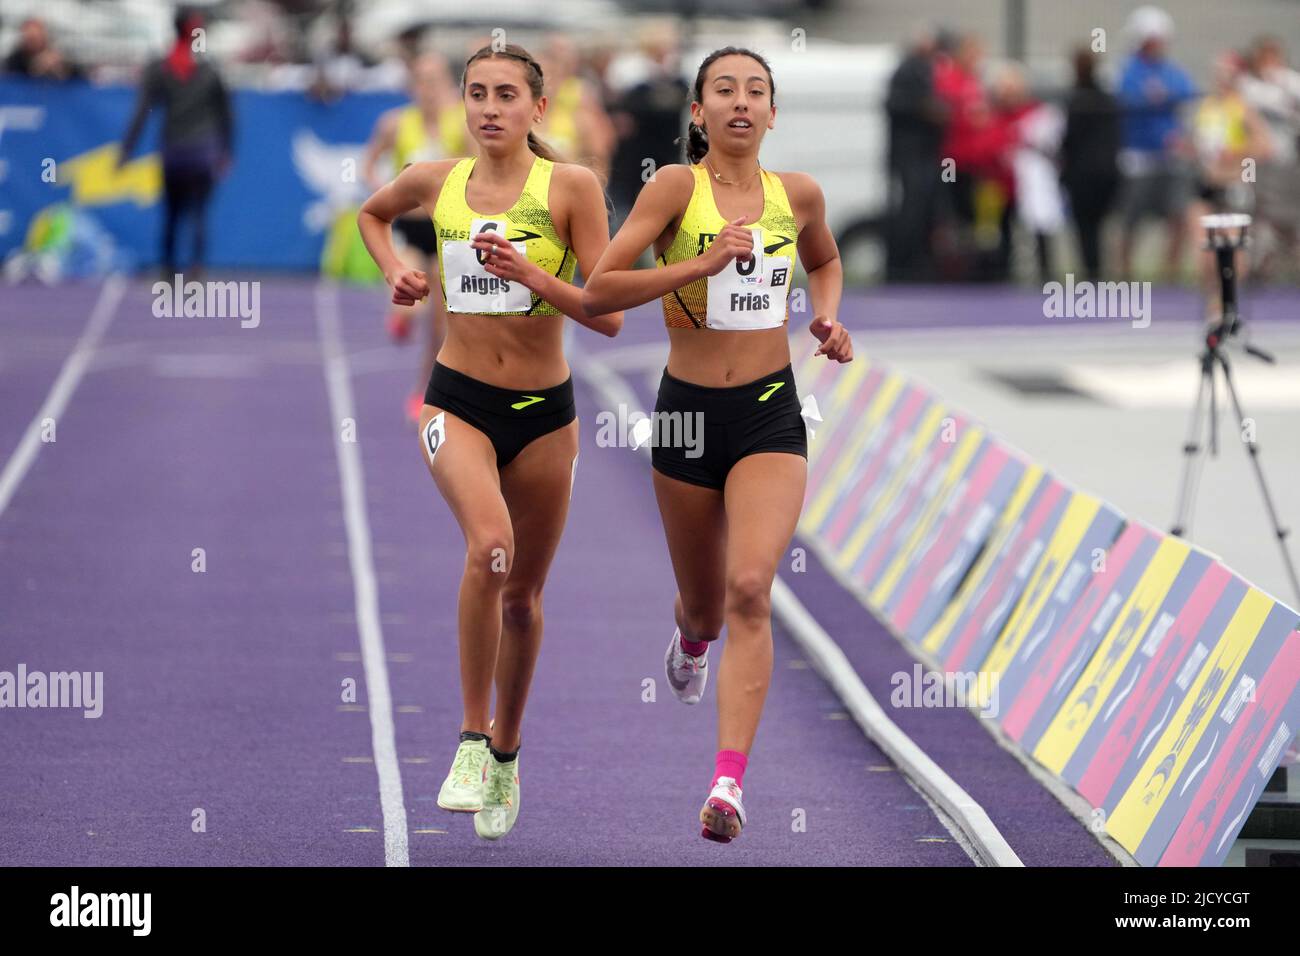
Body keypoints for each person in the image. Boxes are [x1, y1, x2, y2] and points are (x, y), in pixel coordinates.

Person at [582, 47, 853, 843]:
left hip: (770, 412)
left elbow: (826, 260)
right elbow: (602, 286)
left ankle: (728, 784)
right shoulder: (674, 188)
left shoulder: (797, 194)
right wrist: (700, 262)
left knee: (749, 589)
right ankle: (691, 636)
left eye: (756, 91)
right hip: (685, 416)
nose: (741, 102)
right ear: (697, 113)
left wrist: (828, 318)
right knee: (704, 603)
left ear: (774, 113)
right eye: (724, 91)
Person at [357, 42, 622, 841]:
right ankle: (472, 740)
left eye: (507, 94)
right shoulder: (438, 182)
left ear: (538, 109)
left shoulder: (571, 188)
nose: (490, 108)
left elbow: (607, 315)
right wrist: (396, 270)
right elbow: (372, 214)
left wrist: (536, 276)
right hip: (458, 399)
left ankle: (508, 749)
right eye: (478, 93)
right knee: (489, 548)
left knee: (524, 597)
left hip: (545, 413)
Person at [362, 52, 470, 424]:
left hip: (445, 230)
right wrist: (387, 192)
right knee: (412, 291)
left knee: (439, 325)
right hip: (408, 226)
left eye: (435, 81)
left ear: (447, 86)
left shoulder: (461, 127)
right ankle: (401, 313)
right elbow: (368, 164)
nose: (429, 89)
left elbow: (477, 170)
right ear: (413, 87)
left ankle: (423, 388)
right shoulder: (395, 124)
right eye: (422, 81)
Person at [118, 8, 234, 278]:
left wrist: (126, 151)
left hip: (174, 154)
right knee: (199, 214)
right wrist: (227, 151)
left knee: (171, 215)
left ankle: (168, 270)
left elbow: (141, 113)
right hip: (203, 154)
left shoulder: (159, 68)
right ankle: (196, 269)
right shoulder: (210, 69)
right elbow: (227, 115)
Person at [1115, 6, 1197, 281]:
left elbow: (1186, 91)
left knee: (1178, 216)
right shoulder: (1128, 70)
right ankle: (1124, 273)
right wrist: (1154, 98)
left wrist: (1162, 96)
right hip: (1138, 158)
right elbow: (1128, 98)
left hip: (1170, 158)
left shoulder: (1171, 70)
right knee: (1131, 220)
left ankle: (1170, 272)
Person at [884, 24, 945, 281]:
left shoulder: (923, 69)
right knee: (911, 209)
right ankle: (903, 267)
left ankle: (915, 266)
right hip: (911, 155)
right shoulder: (910, 70)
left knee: (922, 209)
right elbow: (895, 105)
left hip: (921, 155)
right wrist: (924, 109)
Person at [1060, 48, 1121, 280]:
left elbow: (1068, 140)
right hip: (1106, 173)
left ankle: (1092, 274)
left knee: (1086, 227)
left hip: (1084, 175)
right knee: (1096, 227)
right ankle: (1096, 273)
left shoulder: (1078, 101)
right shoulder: (1107, 99)